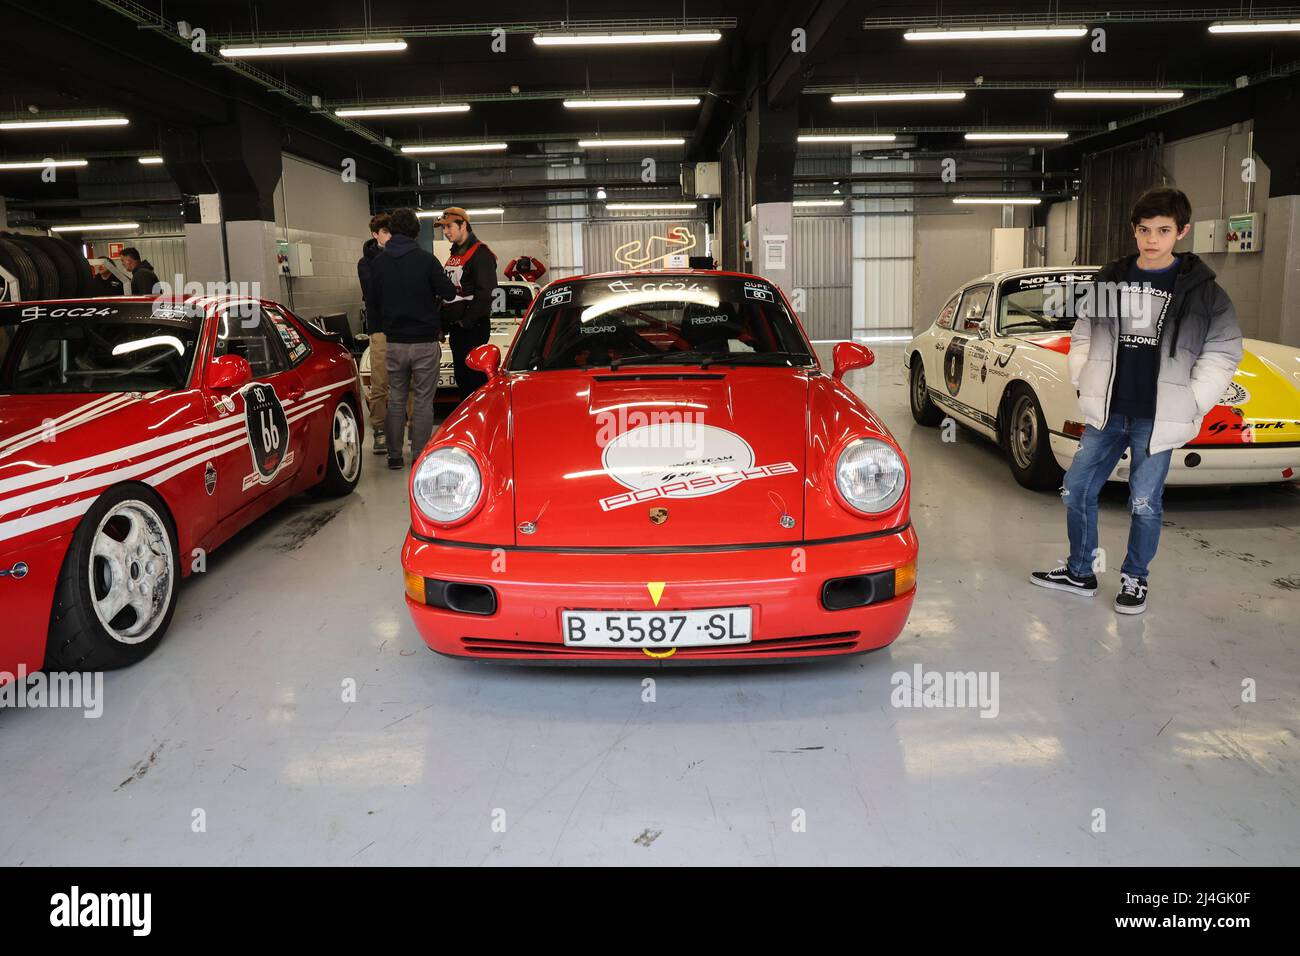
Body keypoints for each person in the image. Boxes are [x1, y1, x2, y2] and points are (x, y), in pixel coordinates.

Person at [1031, 186, 1243, 614]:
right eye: (1144, 229)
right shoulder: (1110, 279)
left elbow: (1223, 353)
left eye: (1163, 230)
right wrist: (1082, 374)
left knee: (1144, 502)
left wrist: (1192, 402)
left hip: (1156, 418)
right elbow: (1084, 332)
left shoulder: (1205, 292)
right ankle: (1080, 571)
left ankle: (1134, 578)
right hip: (1108, 412)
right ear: (1134, 230)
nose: (1152, 239)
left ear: (1181, 232)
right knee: (1075, 490)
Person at [368, 207, 456, 469]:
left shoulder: (378, 264)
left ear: (392, 231)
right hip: (424, 342)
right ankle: (419, 454)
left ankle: (394, 456)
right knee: (422, 400)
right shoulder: (426, 261)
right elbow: (449, 293)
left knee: (395, 399)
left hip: (394, 342)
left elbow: (372, 302)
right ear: (416, 232)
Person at [435, 206, 499, 402]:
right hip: (457, 328)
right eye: (443, 228)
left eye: (449, 227)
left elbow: (487, 292)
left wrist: (467, 321)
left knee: (475, 382)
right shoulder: (455, 253)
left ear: (463, 225)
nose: (445, 232)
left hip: (473, 328)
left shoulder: (481, 254)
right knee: (463, 382)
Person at [358, 213, 392, 456]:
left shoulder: (400, 257)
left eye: (392, 232)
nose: (389, 237)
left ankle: (410, 429)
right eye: (385, 232)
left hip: (402, 327)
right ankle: (379, 428)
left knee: (407, 381)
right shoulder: (366, 262)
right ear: (375, 234)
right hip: (380, 327)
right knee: (380, 381)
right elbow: (373, 294)